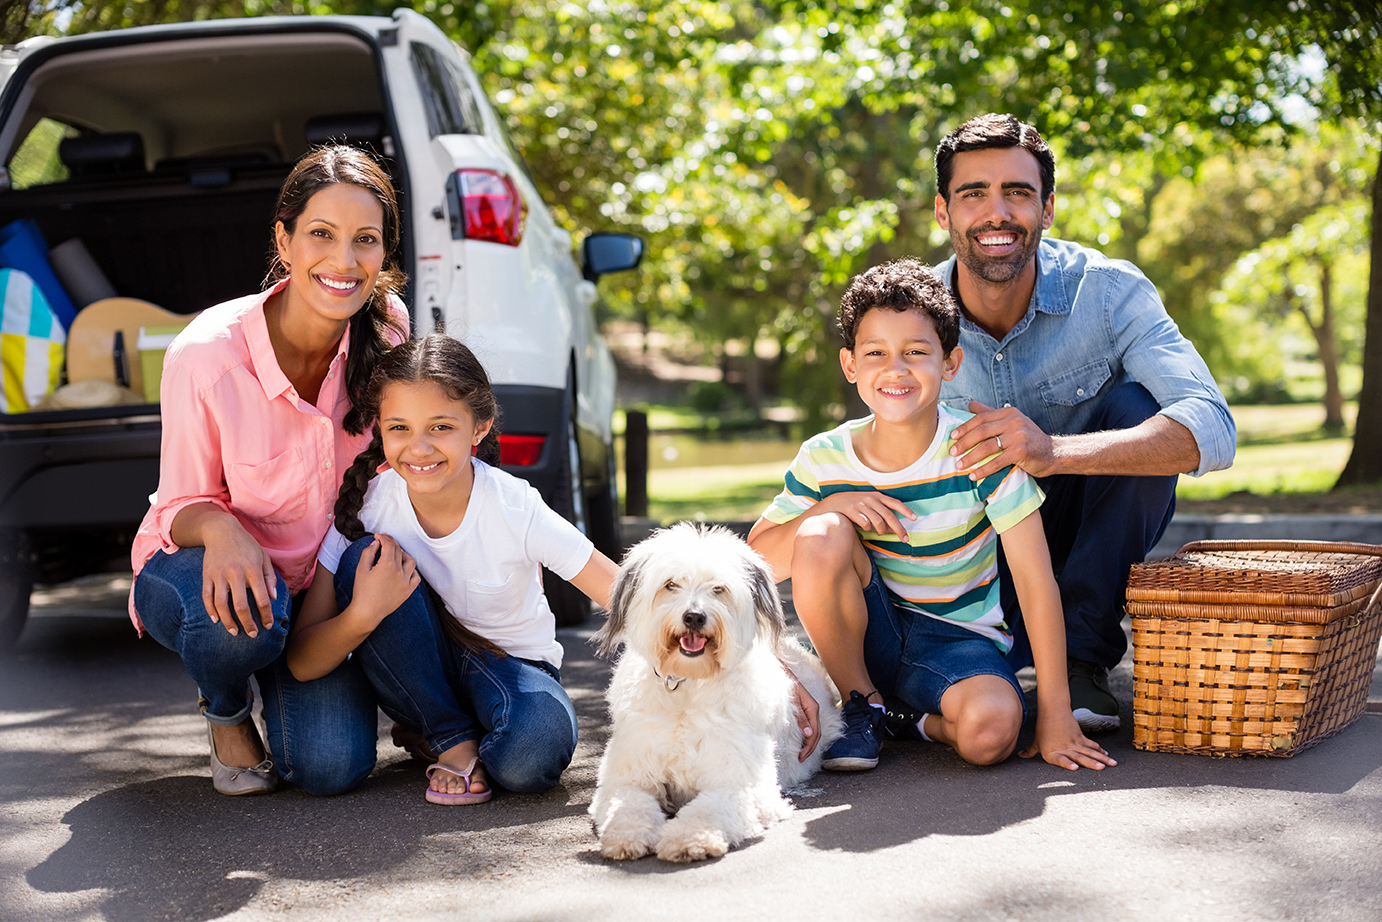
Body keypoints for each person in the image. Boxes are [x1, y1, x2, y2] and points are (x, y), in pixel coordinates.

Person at [748, 260, 1115, 774]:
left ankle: (905, 721)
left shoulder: (979, 448)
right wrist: (832, 505)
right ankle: (862, 704)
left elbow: (1035, 582)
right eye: (875, 353)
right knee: (821, 531)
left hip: (960, 643)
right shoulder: (823, 457)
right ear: (850, 365)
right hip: (866, 636)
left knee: (992, 734)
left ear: (950, 362)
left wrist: (1055, 715)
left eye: (916, 352)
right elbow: (754, 565)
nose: (895, 369)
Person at [931, 114, 1236, 732]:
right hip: (970, 556)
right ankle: (951, 664)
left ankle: (1078, 659)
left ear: (1047, 209)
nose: (997, 213)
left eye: (1017, 192)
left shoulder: (1109, 291)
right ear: (943, 212)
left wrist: (1054, 452)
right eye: (973, 194)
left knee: (1140, 411)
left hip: (1082, 545)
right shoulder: (912, 312)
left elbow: (1211, 427)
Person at [129, 146, 410, 795]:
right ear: (284, 240)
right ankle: (226, 708)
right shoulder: (206, 355)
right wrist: (226, 532)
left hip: (317, 594)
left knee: (330, 768)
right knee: (234, 624)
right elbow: (181, 504)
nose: (344, 261)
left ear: (383, 253)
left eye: (364, 241)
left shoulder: (387, 330)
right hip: (208, 574)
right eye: (322, 235)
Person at [285, 334, 620, 804]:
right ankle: (454, 739)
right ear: (378, 428)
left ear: (479, 427)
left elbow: (620, 595)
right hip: (414, 672)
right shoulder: (367, 509)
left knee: (532, 754)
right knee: (367, 559)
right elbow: (301, 662)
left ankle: (454, 740)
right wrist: (363, 613)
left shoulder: (512, 504)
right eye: (399, 427)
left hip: (510, 668)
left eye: (441, 427)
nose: (418, 448)